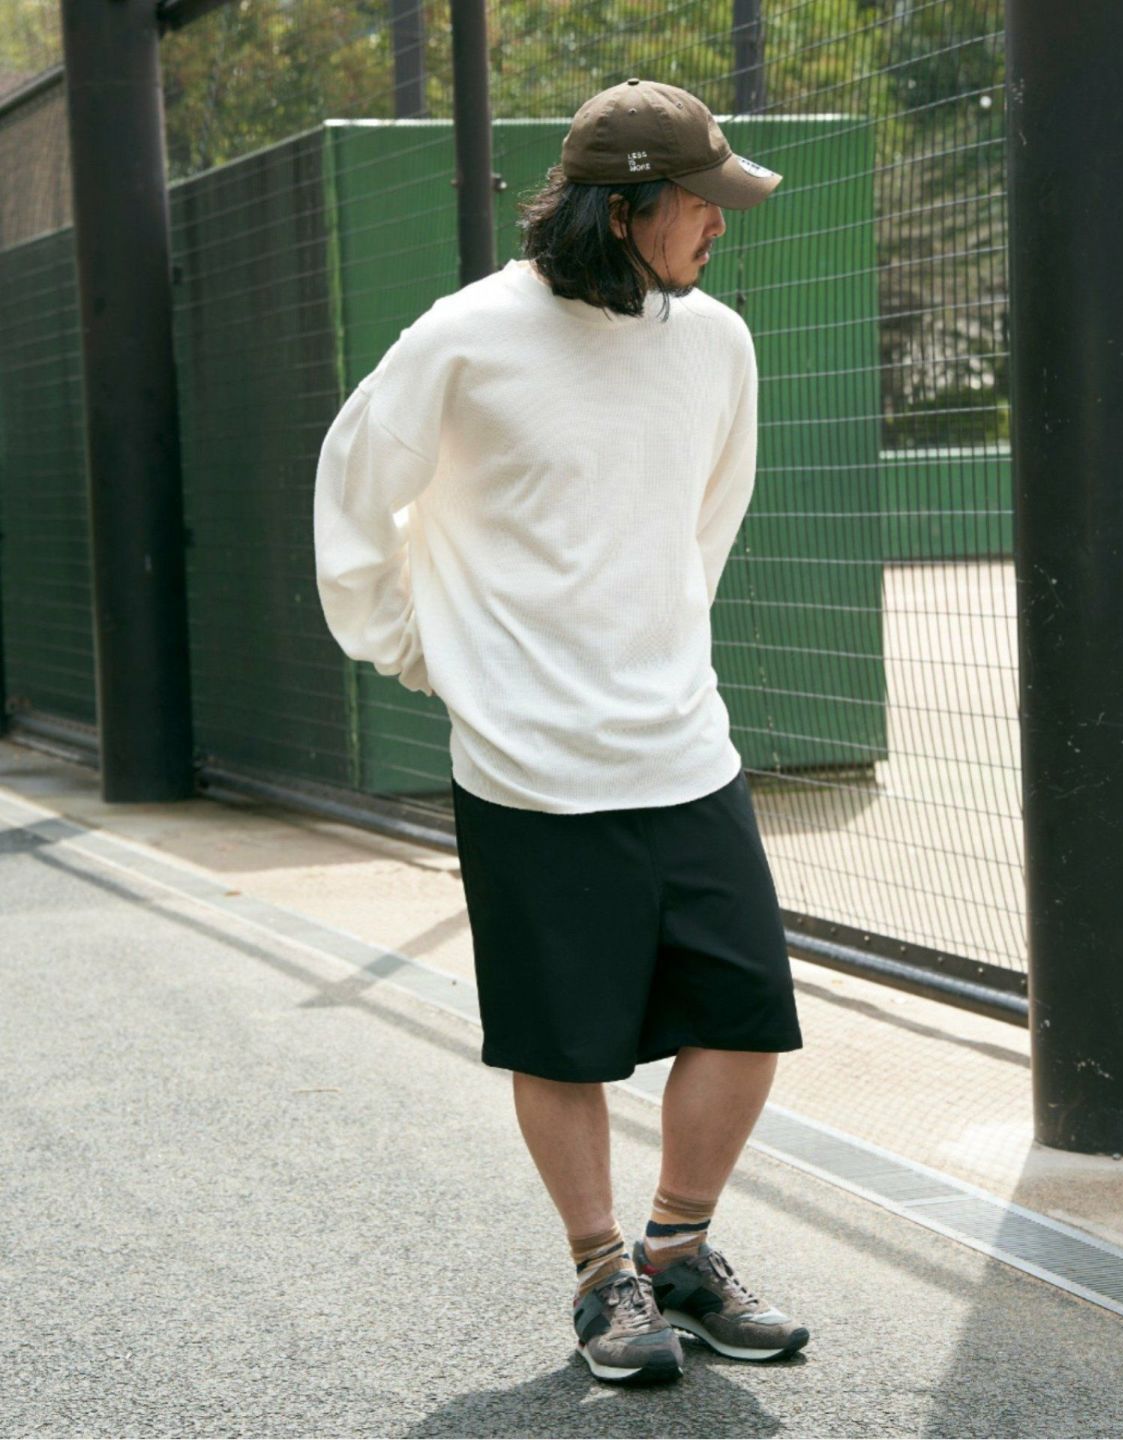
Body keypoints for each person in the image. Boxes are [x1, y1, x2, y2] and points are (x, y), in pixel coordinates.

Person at [313, 77, 807, 1386]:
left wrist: (656, 648)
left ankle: (678, 1253)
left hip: (682, 747)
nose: (720, 223)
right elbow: (353, 501)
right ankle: (602, 1280)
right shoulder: (466, 339)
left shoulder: (718, 345)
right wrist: (430, 656)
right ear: (628, 207)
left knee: (747, 1016)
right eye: (701, 201)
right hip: (527, 771)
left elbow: (704, 526)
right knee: (563, 1038)